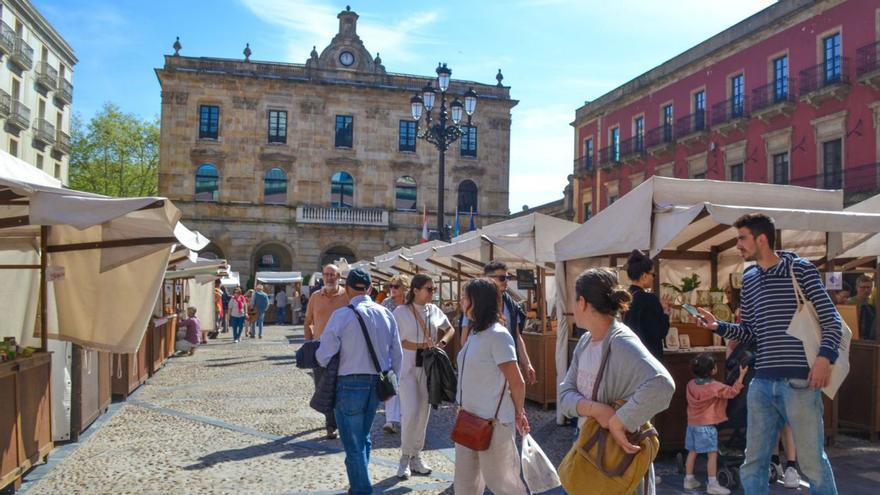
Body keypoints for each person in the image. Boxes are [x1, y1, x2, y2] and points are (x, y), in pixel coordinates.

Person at [697, 213, 841, 495]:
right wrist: (719, 326)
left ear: (761, 239)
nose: (737, 244)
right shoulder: (749, 278)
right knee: (753, 462)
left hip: (800, 382)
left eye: (742, 238)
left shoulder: (799, 270)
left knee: (811, 463)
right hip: (761, 382)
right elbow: (750, 332)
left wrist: (825, 358)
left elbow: (831, 320)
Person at [559, 268, 674, 495]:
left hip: (614, 455)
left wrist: (619, 421)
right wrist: (598, 410)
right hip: (587, 444)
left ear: (582, 302)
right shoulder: (585, 341)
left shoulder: (622, 342)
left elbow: (663, 385)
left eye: (575, 301)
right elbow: (564, 395)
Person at [316, 268, 402, 495]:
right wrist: (394, 380)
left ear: (347, 289)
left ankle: (363, 490)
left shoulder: (341, 315)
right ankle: (357, 487)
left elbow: (323, 356)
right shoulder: (386, 313)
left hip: (350, 384)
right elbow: (397, 354)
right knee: (363, 438)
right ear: (371, 288)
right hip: (377, 384)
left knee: (354, 445)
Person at [453, 278, 529, 495]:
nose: (461, 301)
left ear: (477, 301)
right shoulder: (476, 334)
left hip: (494, 423)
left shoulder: (498, 335)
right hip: (468, 419)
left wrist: (519, 413)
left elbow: (517, 381)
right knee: (465, 485)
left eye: (465, 297)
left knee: (503, 484)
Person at [392, 274, 454, 480]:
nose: (433, 293)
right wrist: (423, 346)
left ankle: (416, 457)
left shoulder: (434, 310)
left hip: (429, 369)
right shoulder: (400, 312)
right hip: (408, 370)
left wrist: (442, 343)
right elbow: (398, 342)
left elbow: (450, 328)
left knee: (423, 413)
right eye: (429, 289)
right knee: (409, 413)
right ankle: (404, 458)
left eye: (434, 289)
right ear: (416, 290)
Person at [460, 261, 536, 386]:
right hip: (484, 366)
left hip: (507, 362)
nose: (506, 281)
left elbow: (517, 337)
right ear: (489, 279)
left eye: (508, 278)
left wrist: (526, 363)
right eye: (502, 278)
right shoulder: (475, 305)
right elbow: (464, 340)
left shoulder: (512, 305)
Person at [683, 353, 748, 495]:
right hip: (707, 426)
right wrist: (741, 376)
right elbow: (732, 392)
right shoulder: (715, 387)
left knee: (692, 452)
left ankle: (688, 479)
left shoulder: (690, 384)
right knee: (712, 455)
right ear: (713, 370)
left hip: (692, 424)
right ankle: (712, 483)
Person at [305, 264, 351, 439]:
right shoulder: (315, 297)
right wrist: (308, 341)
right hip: (320, 349)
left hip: (342, 349)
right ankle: (330, 420)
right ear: (323, 277)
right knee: (321, 386)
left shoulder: (346, 296)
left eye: (333, 275)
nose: (329, 277)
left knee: (340, 386)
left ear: (339, 276)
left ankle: (333, 424)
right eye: (326, 274)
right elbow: (308, 320)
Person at [623, 249, 670, 360]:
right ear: (644, 275)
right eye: (652, 274)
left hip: (629, 354)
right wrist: (665, 313)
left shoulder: (626, 296)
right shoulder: (648, 299)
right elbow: (659, 332)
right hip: (648, 357)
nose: (653, 278)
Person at [381, 274, 410, 434]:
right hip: (391, 349)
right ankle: (391, 420)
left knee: (406, 383)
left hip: (409, 348)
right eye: (390, 286)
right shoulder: (386, 303)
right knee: (391, 381)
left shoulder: (410, 304)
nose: (392, 289)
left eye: (395, 286)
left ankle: (405, 416)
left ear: (404, 288)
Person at [846, 274, 876, 339]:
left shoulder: (874, 303)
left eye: (868, 287)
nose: (866, 290)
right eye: (863, 287)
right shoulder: (849, 303)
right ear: (857, 287)